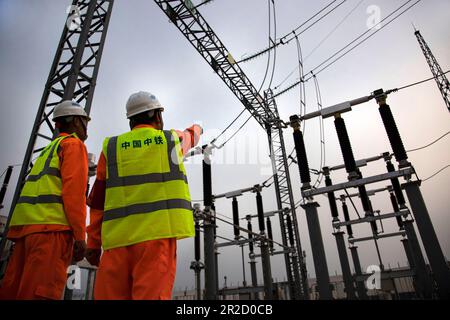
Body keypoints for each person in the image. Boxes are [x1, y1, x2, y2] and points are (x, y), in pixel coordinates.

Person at [85, 91, 202, 300]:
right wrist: (198, 127)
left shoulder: (111, 148)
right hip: (156, 242)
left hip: (116, 243)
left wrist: (93, 243)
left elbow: (97, 201)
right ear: (157, 116)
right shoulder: (170, 141)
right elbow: (191, 135)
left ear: (131, 120)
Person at [0, 101, 90, 300]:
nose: (86, 126)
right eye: (84, 121)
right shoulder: (74, 145)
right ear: (75, 121)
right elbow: (73, 194)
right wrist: (80, 236)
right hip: (51, 233)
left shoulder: (47, 151)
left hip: (25, 233)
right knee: (40, 293)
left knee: (13, 291)